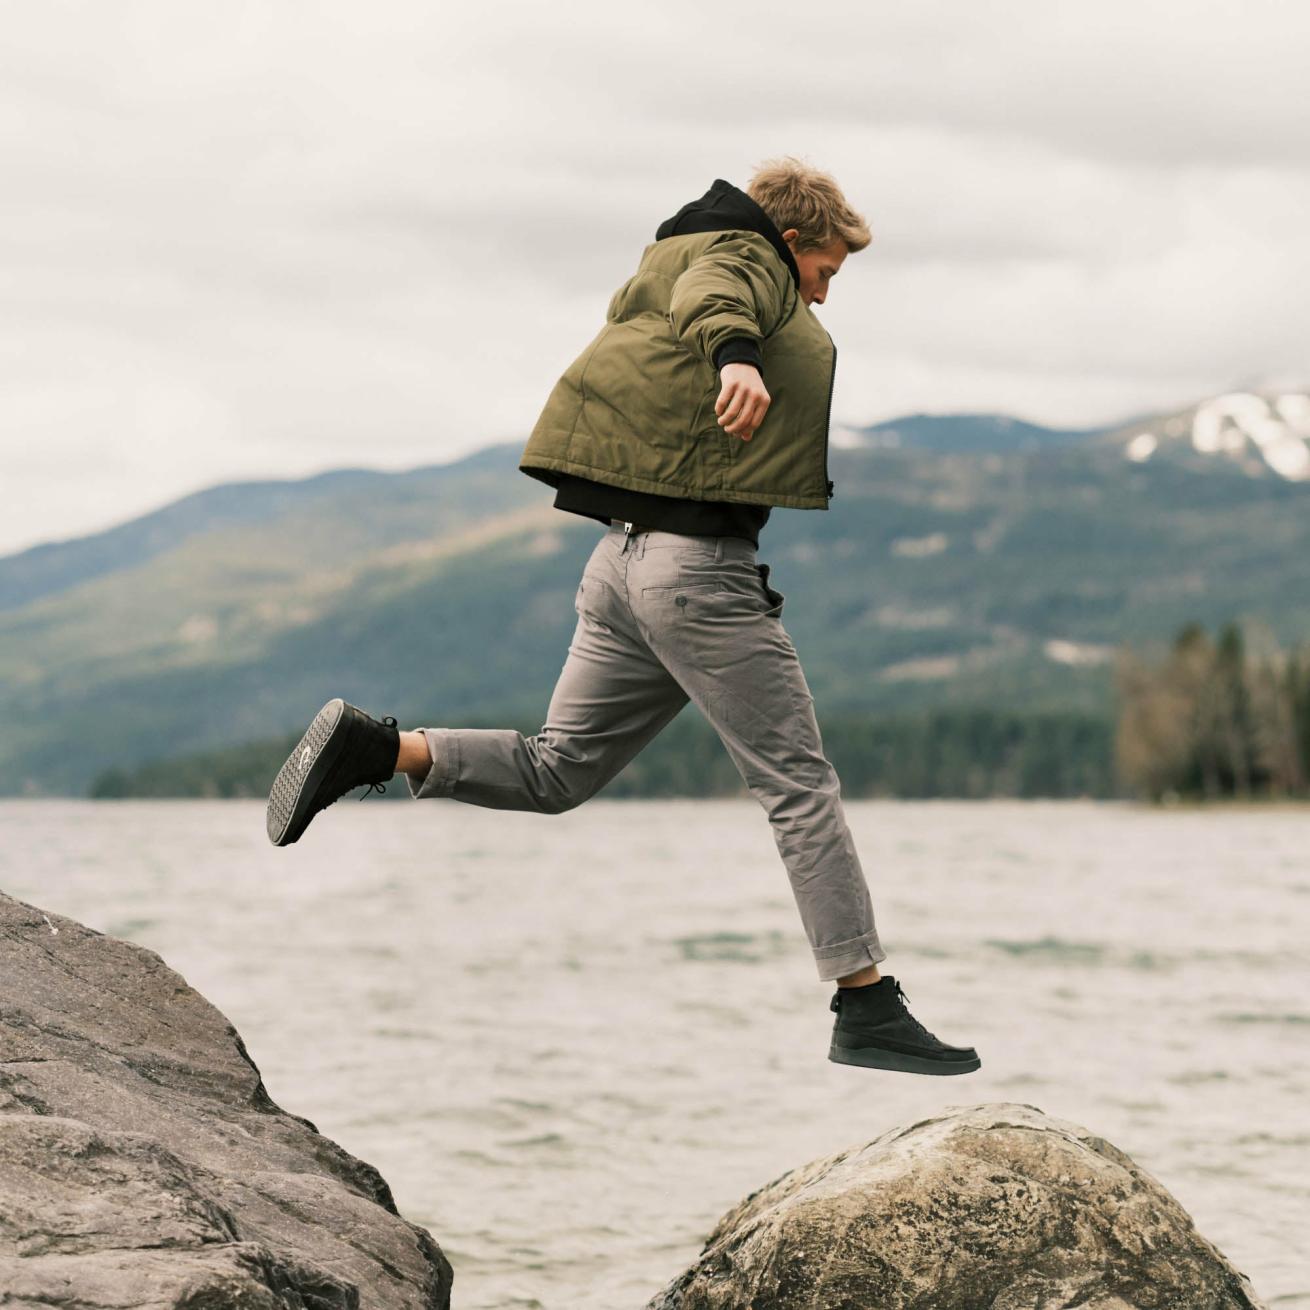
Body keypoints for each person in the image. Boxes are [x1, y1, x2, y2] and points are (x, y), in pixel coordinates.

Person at [265, 158, 980, 1077]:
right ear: (793, 240)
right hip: (699, 577)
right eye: (824, 272)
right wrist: (737, 356)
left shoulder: (671, 259)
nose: (822, 294)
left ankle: (378, 749)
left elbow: (701, 298)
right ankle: (867, 1004)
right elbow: (724, 293)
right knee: (799, 788)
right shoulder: (745, 256)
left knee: (556, 770)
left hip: (620, 564)